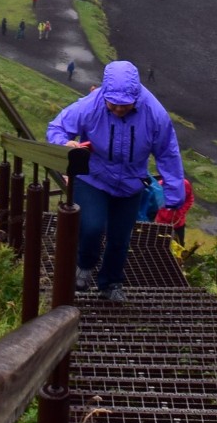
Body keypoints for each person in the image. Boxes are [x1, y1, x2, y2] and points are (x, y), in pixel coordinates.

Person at [47, 62, 184, 304]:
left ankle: (111, 283)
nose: (118, 109)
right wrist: (64, 144)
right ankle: (84, 267)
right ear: (104, 95)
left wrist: (174, 193)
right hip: (93, 177)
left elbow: (167, 151)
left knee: (120, 237)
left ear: (136, 96)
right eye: (113, 103)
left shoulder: (155, 114)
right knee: (91, 227)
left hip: (131, 184)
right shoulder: (92, 104)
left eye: (124, 104)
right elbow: (57, 127)